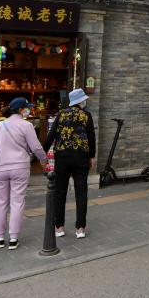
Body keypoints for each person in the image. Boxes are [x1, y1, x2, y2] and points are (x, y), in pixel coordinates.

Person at [0, 97, 48, 250]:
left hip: (0, 167)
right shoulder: (27, 125)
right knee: (17, 202)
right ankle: (13, 239)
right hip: (20, 167)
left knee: (0, 203)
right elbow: (36, 147)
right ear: (21, 110)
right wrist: (43, 160)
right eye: (27, 108)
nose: (29, 110)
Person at [44, 88, 95, 239]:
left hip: (62, 157)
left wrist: (42, 154)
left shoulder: (61, 114)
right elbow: (91, 137)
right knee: (81, 192)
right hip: (81, 157)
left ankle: (59, 226)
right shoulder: (86, 115)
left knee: (60, 192)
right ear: (81, 101)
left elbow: (51, 135)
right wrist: (91, 156)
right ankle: (80, 228)